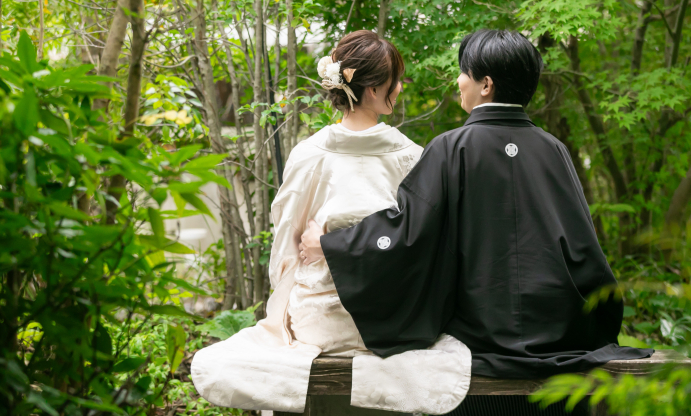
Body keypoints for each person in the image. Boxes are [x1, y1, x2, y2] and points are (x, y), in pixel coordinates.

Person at [299, 29, 653, 386]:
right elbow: (582, 246)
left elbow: (407, 235)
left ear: (486, 85)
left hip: (482, 335)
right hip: (564, 331)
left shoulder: (451, 148)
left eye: (464, 73)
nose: (459, 81)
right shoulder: (554, 150)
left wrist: (331, 245)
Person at [191, 30, 471, 415]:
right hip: (390, 321)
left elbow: (285, 249)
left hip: (319, 323)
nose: (400, 87)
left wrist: (285, 312)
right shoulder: (413, 158)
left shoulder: (309, 154)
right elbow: (426, 248)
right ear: (372, 90)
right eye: (395, 80)